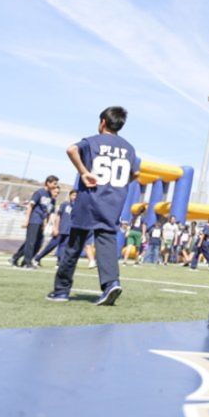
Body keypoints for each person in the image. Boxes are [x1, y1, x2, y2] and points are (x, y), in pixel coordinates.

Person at [47, 106, 139, 305]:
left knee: (75, 243)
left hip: (90, 198)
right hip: (114, 200)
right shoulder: (129, 148)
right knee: (106, 240)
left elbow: (71, 149)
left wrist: (83, 172)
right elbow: (135, 174)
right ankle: (110, 283)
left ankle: (61, 290)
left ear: (103, 121)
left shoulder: (93, 141)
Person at [13, 176, 58, 269]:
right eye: (54, 183)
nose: (55, 186)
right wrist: (27, 220)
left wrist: (46, 224)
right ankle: (27, 262)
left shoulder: (51, 197)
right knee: (31, 242)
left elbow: (48, 212)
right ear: (48, 183)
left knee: (37, 243)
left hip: (41, 222)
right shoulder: (39, 193)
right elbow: (30, 206)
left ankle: (15, 258)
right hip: (34, 219)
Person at [34, 190, 77, 267]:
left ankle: (59, 262)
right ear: (70, 196)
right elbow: (58, 216)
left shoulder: (78, 207)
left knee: (63, 247)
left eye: (76, 196)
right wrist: (55, 228)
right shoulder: (64, 204)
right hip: (60, 229)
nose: (75, 197)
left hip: (69, 231)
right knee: (51, 245)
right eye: (73, 195)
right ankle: (37, 258)